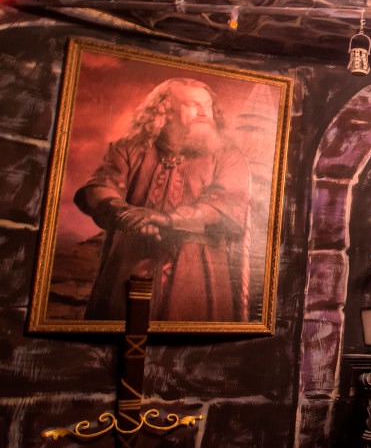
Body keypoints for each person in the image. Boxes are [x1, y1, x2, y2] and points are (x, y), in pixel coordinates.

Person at [74, 77, 251, 322]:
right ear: (164, 111)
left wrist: (165, 219)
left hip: (197, 274)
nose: (203, 112)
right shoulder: (129, 148)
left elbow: (225, 203)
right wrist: (126, 215)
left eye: (207, 105)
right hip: (128, 266)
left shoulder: (228, 155)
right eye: (192, 105)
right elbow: (100, 187)